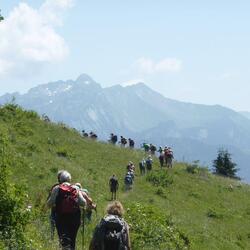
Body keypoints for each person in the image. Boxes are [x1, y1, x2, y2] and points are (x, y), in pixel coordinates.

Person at [47, 170, 86, 250]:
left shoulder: (56, 188)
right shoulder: (75, 188)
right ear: (69, 179)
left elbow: (49, 203)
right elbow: (83, 202)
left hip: (61, 218)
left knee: (64, 241)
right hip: (75, 218)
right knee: (72, 240)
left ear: (60, 180)